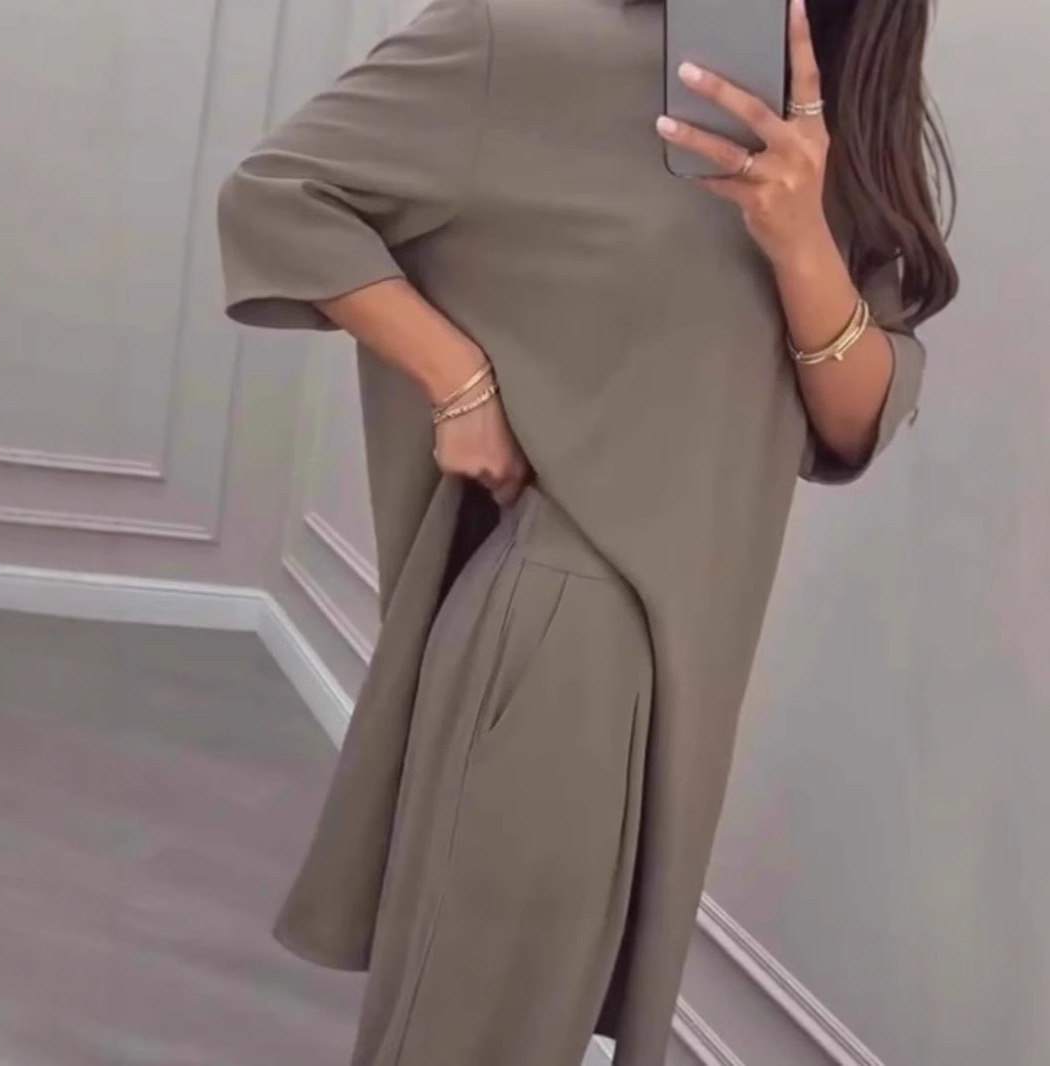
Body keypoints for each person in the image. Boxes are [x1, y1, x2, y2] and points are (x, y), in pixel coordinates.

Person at [216, 0, 958, 1063]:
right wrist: (458, 379)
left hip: (679, 660)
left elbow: (853, 421)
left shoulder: (839, 120)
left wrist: (801, 237)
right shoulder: (521, 38)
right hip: (565, 635)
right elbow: (277, 195)